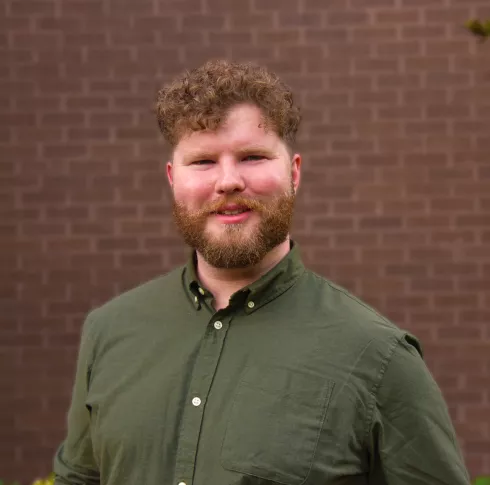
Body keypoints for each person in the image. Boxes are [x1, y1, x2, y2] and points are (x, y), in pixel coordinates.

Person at [53, 60, 471, 485]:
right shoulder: (109, 331)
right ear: (172, 178)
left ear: (293, 173)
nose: (229, 181)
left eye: (252, 156)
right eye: (203, 161)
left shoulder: (378, 357)